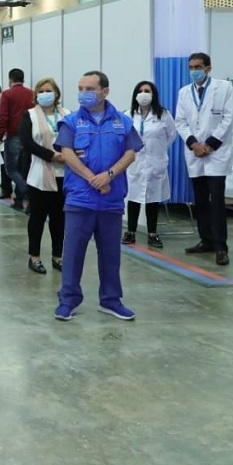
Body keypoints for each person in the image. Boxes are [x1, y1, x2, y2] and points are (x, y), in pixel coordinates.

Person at [54, 71, 143, 322]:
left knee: (110, 254)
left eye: (89, 88)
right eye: (80, 88)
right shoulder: (71, 121)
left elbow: (130, 153)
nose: (83, 93)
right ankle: (68, 300)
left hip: (111, 199)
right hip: (80, 198)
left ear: (105, 91)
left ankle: (111, 300)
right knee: (72, 253)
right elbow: (67, 153)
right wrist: (93, 178)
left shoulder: (121, 122)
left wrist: (109, 176)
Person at [176, 52, 233, 266]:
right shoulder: (184, 92)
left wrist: (209, 145)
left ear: (208, 68)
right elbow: (180, 122)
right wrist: (193, 144)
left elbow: (228, 119)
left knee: (217, 200)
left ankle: (221, 247)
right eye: (191, 67)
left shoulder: (224, 88)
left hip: (216, 152)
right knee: (200, 199)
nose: (194, 71)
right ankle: (206, 240)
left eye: (198, 67)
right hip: (194, 153)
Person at [21, 77, 69, 275]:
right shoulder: (30, 115)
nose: (44, 94)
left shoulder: (66, 114)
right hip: (39, 175)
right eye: (40, 91)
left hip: (64, 175)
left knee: (59, 219)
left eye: (48, 90)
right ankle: (34, 257)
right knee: (38, 219)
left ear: (56, 93)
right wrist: (51, 156)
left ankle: (58, 256)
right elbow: (27, 142)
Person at [123, 81, 177, 249]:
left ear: (153, 94)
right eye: (140, 91)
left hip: (155, 162)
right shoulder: (128, 115)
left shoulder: (163, 114)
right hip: (135, 163)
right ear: (135, 95)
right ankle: (130, 232)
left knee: (153, 199)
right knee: (133, 198)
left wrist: (157, 151)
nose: (143, 94)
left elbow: (171, 135)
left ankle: (152, 234)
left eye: (147, 91)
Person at [0, 69, 35, 210]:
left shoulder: (7, 94)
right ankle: (19, 201)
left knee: (11, 169)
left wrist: (0, 136)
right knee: (25, 169)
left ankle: (28, 193)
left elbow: (4, 116)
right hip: (30, 136)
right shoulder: (31, 93)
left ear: (10, 79)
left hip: (14, 135)